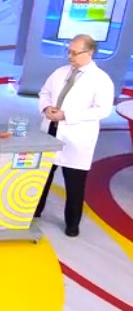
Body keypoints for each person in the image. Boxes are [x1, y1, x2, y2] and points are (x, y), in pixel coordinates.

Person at [33, 33, 114, 237]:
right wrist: (46, 108)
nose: (70, 56)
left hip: (76, 138)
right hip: (51, 130)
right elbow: (44, 92)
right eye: (68, 51)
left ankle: (72, 224)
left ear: (90, 52)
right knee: (42, 175)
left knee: (74, 184)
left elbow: (103, 110)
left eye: (75, 53)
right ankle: (34, 211)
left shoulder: (101, 80)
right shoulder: (60, 72)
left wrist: (67, 115)